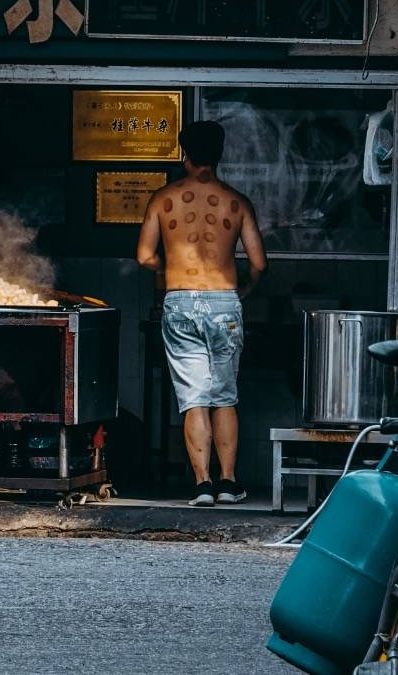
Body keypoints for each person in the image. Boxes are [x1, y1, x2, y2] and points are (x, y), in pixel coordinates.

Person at [135, 120, 267, 506]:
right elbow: (259, 262)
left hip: (180, 301)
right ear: (220, 154)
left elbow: (143, 256)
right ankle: (228, 483)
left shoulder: (164, 199)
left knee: (193, 397)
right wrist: (246, 288)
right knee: (224, 396)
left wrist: (169, 269)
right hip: (225, 301)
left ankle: (202, 486)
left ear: (184, 154)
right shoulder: (237, 202)